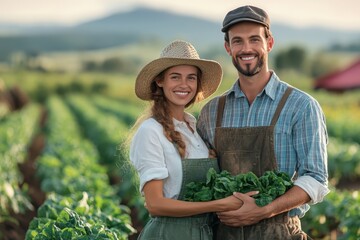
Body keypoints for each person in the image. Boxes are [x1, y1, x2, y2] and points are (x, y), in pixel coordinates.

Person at [197, 5, 330, 240]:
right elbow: (201, 176)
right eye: (237, 41)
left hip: (279, 232)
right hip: (222, 234)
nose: (246, 48)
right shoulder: (211, 112)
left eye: (254, 39)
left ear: (269, 43)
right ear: (228, 48)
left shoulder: (301, 106)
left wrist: (264, 210)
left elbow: (316, 178)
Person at [129, 40, 249, 240]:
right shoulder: (151, 131)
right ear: (160, 81)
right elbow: (155, 204)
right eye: (175, 77)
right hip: (169, 234)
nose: (184, 85)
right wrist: (219, 205)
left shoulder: (192, 125)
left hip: (201, 233)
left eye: (191, 78)